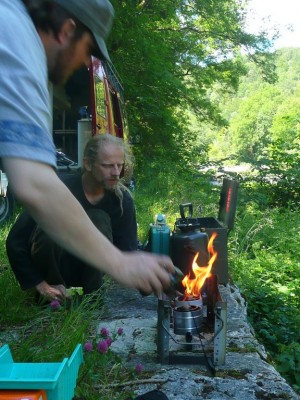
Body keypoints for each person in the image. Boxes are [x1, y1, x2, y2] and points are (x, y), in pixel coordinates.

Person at [0, 0, 174, 298]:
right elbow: (35, 185)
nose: (84, 64)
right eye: (88, 51)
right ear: (67, 31)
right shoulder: (16, 37)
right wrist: (120, 263)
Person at [6, 134, 139, 299]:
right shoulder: (57, 188)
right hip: (51, 270)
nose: (116, 173)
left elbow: (128, 252)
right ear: (88, 164)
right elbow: (15, 241)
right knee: (53, 221)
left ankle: (92, 296)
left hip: (87, 274)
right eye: (108, 166)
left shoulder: (121, 201)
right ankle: (52, 295)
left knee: (98, 218)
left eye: (120, 165)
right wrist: (39, 284)